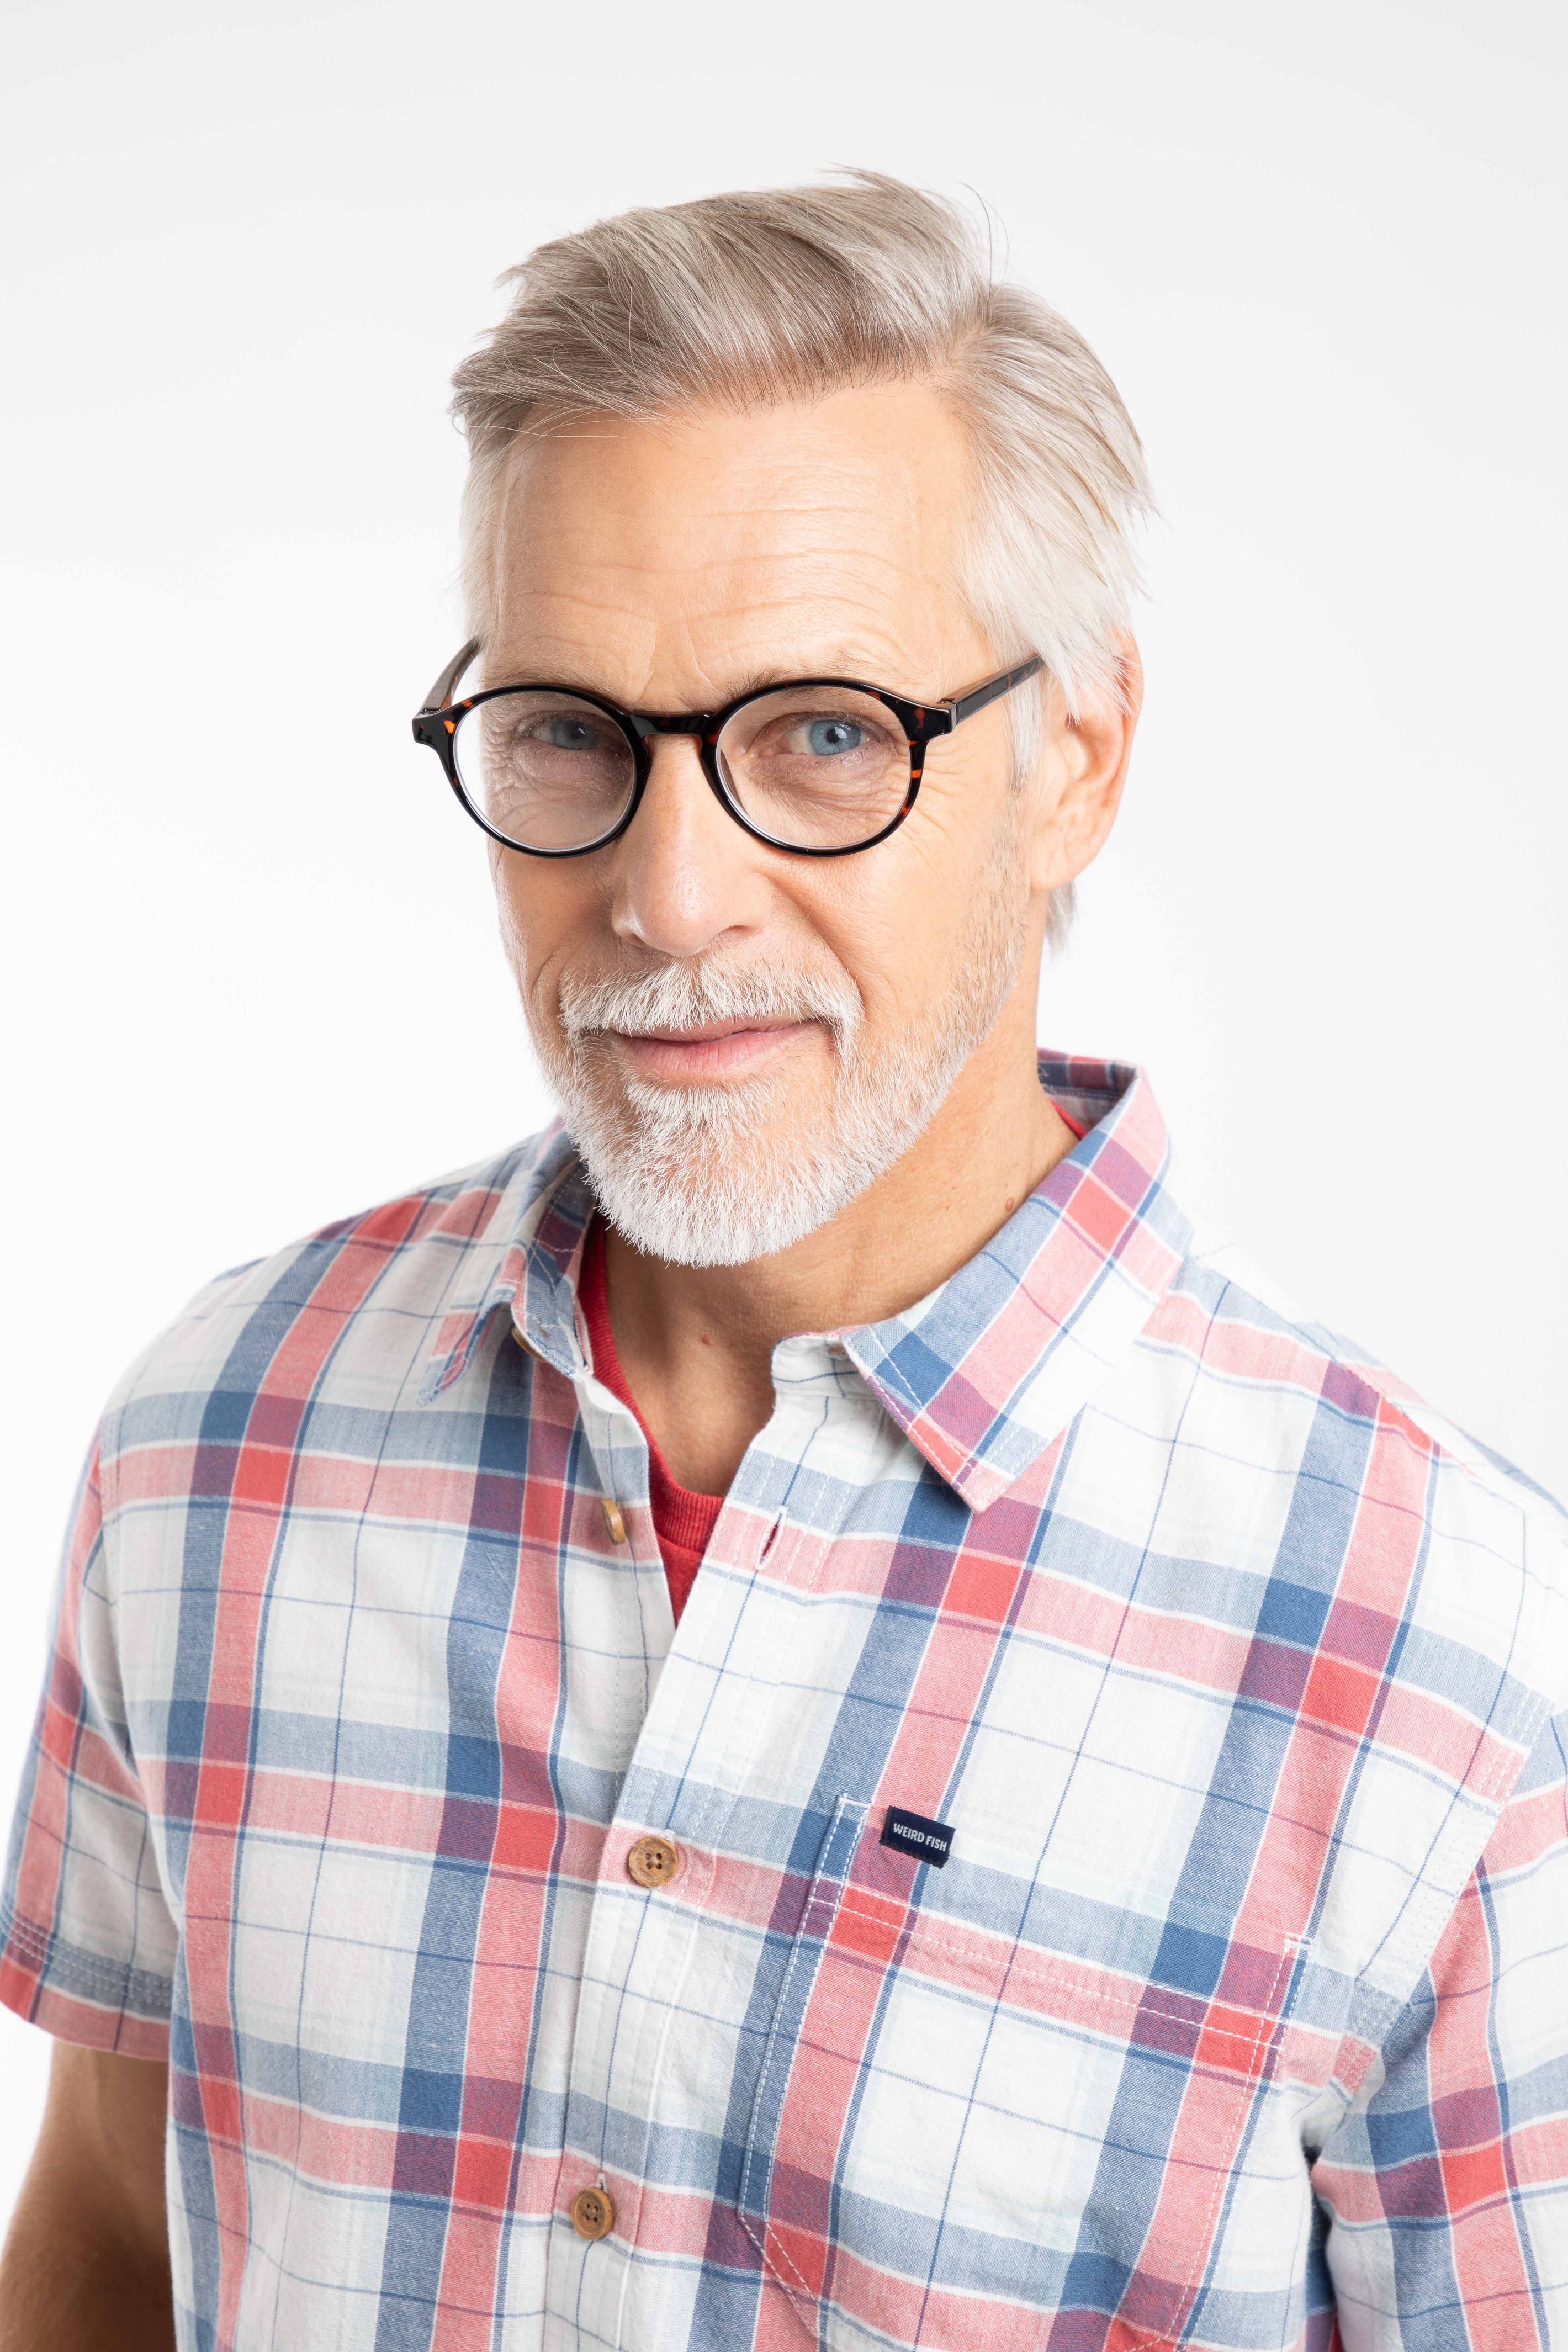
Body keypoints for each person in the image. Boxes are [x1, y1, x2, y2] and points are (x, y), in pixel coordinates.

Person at [1, 171, 1564, 2352]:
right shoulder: (214, 1441)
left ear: (1074, 761)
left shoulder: (1456, 1677)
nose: (670, 894)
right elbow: (110, 2226)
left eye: (823, 735)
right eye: (569, 729)